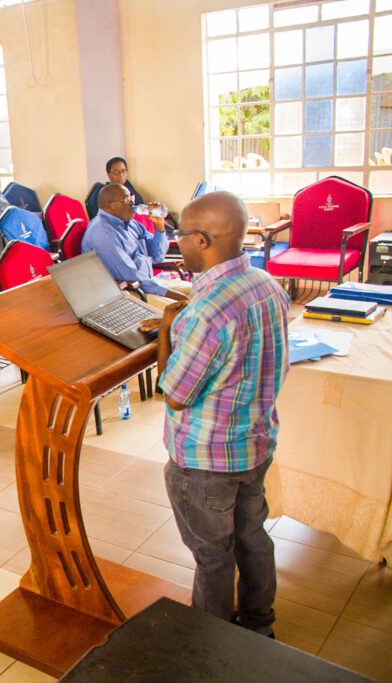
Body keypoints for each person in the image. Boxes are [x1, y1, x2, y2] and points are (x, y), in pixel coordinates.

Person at [140, 191, 289, 639]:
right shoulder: (267, 284)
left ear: (202, 241)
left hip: (206, 461)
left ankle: (214, 644)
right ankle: (259, 626)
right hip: (254, 445)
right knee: (253, 538)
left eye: (180, 235)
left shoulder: (204, 315)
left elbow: (175, 395)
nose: (176, 241)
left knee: (213, 557)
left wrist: (167, 329)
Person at [81, 183, 191, 308]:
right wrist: (172, 295)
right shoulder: (102, 233)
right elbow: (130, 276)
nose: (132, 203)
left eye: (131, 198)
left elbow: (157, 256)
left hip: (148, 283)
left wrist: (159, 226)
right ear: (109, 205)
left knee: (199, 292)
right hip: (131, 292)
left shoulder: (131, 224)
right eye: (126, 200)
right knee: (185, 308)